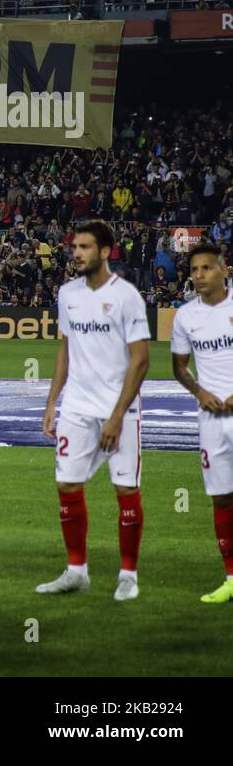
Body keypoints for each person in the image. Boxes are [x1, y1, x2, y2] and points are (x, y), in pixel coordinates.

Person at [38, 220, 150, 601]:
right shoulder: (67, 293)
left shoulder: (127, 297)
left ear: (105, 252)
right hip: (78, 408)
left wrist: (118, 415)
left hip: (119, 409)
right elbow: (66, 350)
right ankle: (76, 571)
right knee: (67, 484)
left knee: (125, 488)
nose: (77, 253)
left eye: (85, 247)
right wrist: (53, 402)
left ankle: (128, 575)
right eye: (75, 247)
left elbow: (140, 361)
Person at [169, 242, 233, 603]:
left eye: (207, 268)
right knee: (222, 497)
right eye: (194, 270)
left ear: (224, 270)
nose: (198, 276)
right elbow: (179, 367)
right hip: (211, 418)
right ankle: (231, 578)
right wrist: (199, 392)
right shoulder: (185, 316)